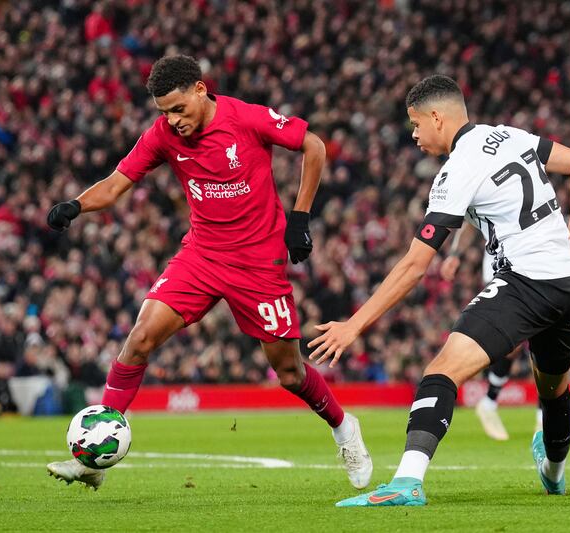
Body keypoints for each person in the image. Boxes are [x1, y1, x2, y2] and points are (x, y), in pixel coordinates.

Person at [44, 55, 371, 490]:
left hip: (258, 263)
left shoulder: (247, 119)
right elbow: (116, 183)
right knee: (140, 337)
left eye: (178, 109)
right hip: (201, 256)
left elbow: (315, 146)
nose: (172, 121)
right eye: (164, 112)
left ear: (201, 90)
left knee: (289, 372)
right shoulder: (162, 135)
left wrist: (300, 217)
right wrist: (75, 205)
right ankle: (93, 458)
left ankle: (344, 427)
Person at [308, 75, 570, 506]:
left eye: (415, 124)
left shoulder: (457, 169)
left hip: (528, 281)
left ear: (436, 117)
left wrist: (355, 324)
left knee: (440, 373)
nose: (414, 134)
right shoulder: (506, 135)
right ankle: (554, 473)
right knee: (553, 388)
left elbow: (414, 266)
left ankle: (407, 483)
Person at [441, 223, 543, 440]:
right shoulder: (485, 190)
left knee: (542, 336)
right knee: (515, 342)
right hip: (502, 264)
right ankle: (490, 402)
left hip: (539, 259)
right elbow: (470, 222)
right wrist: (455, 254)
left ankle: (542, 418)